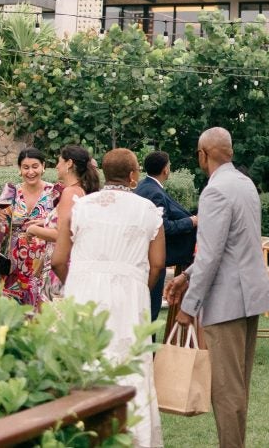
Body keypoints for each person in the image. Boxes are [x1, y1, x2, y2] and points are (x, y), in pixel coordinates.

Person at [166, 128, 269, 448]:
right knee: (238, 387)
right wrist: (186, 277)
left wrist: (188, 307)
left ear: (204, 154)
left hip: (227, 301)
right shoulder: (244, 183)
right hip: (249, 297)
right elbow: (230, 247)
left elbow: (211, 254)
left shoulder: (215, 191)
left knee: (226, 390)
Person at [54, 148, 163, 448]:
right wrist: (139, 285)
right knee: (130, 363)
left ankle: (83, 433)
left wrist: (76, 283)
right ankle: (134, 438)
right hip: (129, 297)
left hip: (83, 294)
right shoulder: (147, 210)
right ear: (133, 176)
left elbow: (58, 260)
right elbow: (157, 263)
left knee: (86, 361)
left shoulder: (81, 206)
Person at [0, 148, 62, 309]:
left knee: (42, 317)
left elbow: (63, 226)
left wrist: (44, 221)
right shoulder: (12, 193)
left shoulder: (55, 193)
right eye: (25, 167)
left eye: (35, 166)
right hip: (15, 267)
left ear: (43, 167)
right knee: (12, 318)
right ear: (19, 170)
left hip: (43, 266)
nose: (30, 172)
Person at [20, 145, 102, 302]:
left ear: (69, 163)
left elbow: (61, 235)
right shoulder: (80, 190)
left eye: (59, 162)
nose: (57, 166)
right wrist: (46, 221)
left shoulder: (69, 192)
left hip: (60, 269)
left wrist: (33, 229)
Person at [134, 150, 197, 321]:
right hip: (154, 256)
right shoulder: (154, 192)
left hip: (143, 255)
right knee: (150, 309)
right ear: (165, 169)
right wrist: (191, 222)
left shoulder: (144, 187)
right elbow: (163, 227)